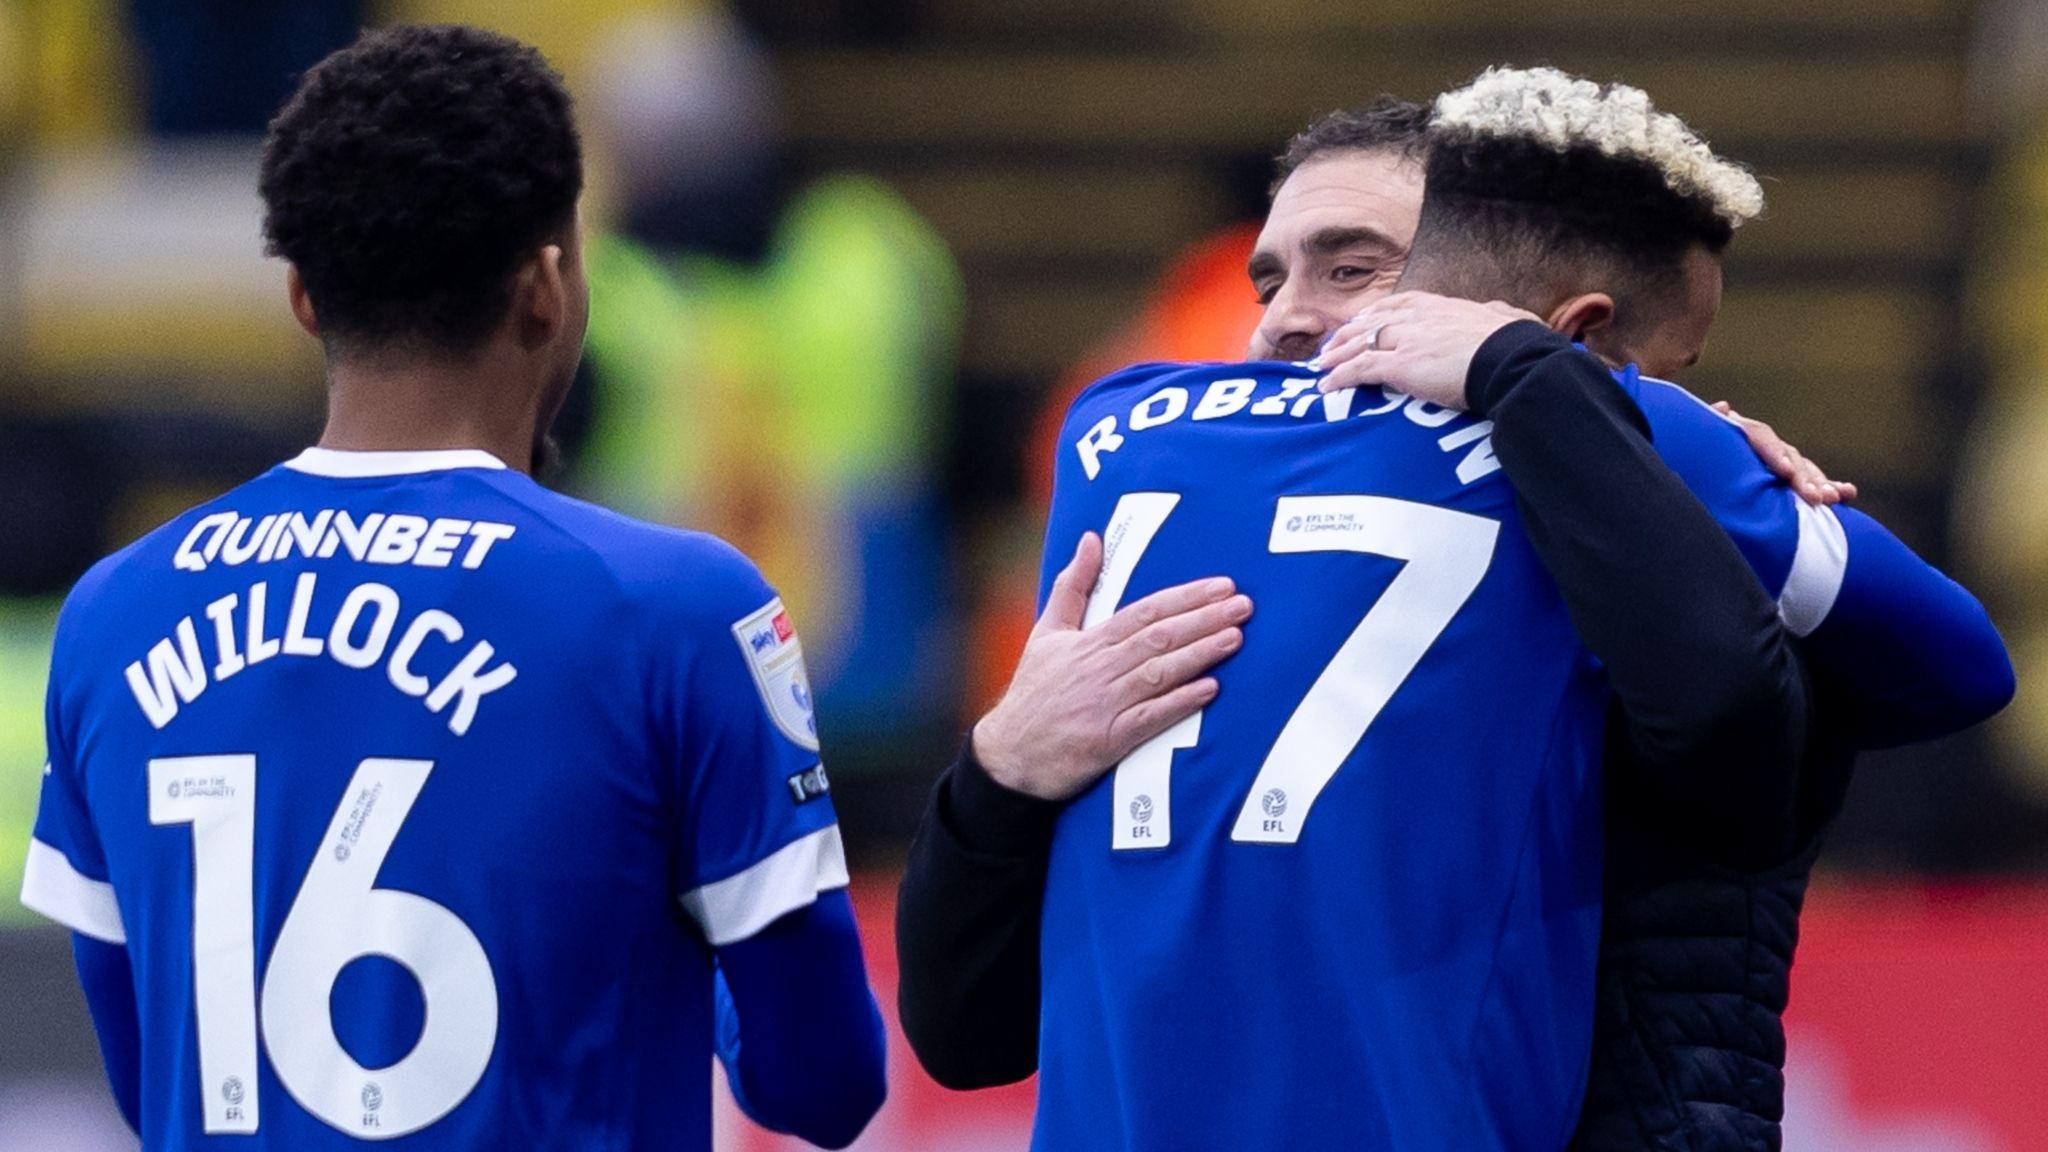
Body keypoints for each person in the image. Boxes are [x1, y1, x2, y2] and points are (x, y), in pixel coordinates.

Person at [896, 69, 2013, 1151]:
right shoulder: (1650, 443)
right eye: (1266, 279)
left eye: (1351, 270)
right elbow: (1951, 664)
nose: (1284, 322)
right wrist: (995, 769)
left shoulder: (1124, 419)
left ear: (1507, 298)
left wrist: (1608, 430)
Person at [16, 25, 885, 1151]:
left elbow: (156, 1080)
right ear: (547, 284)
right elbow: (818, 1085)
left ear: (302, 299)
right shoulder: (676, 611)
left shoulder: (111, 615)